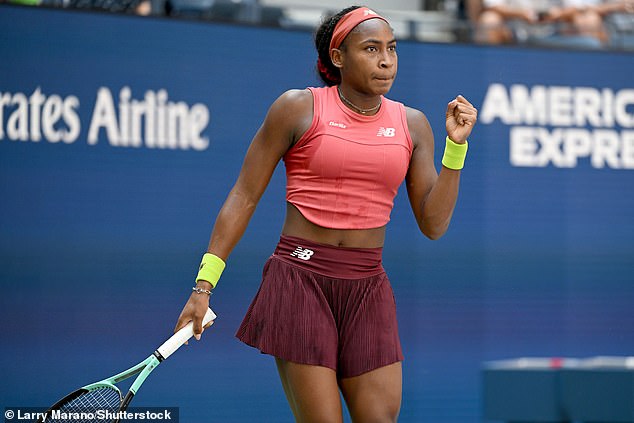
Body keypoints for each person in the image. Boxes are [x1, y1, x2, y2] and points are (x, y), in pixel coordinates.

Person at [174, 5, 477, 422]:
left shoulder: (414, 124)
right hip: (300, 282)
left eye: (391, 49)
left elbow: (434, 225)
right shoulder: (297, 108)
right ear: (339, 56)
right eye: (371, 49)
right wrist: (203, 285)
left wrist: (456, 148)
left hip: (368, 287)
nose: (386, 60)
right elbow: (243, 196)